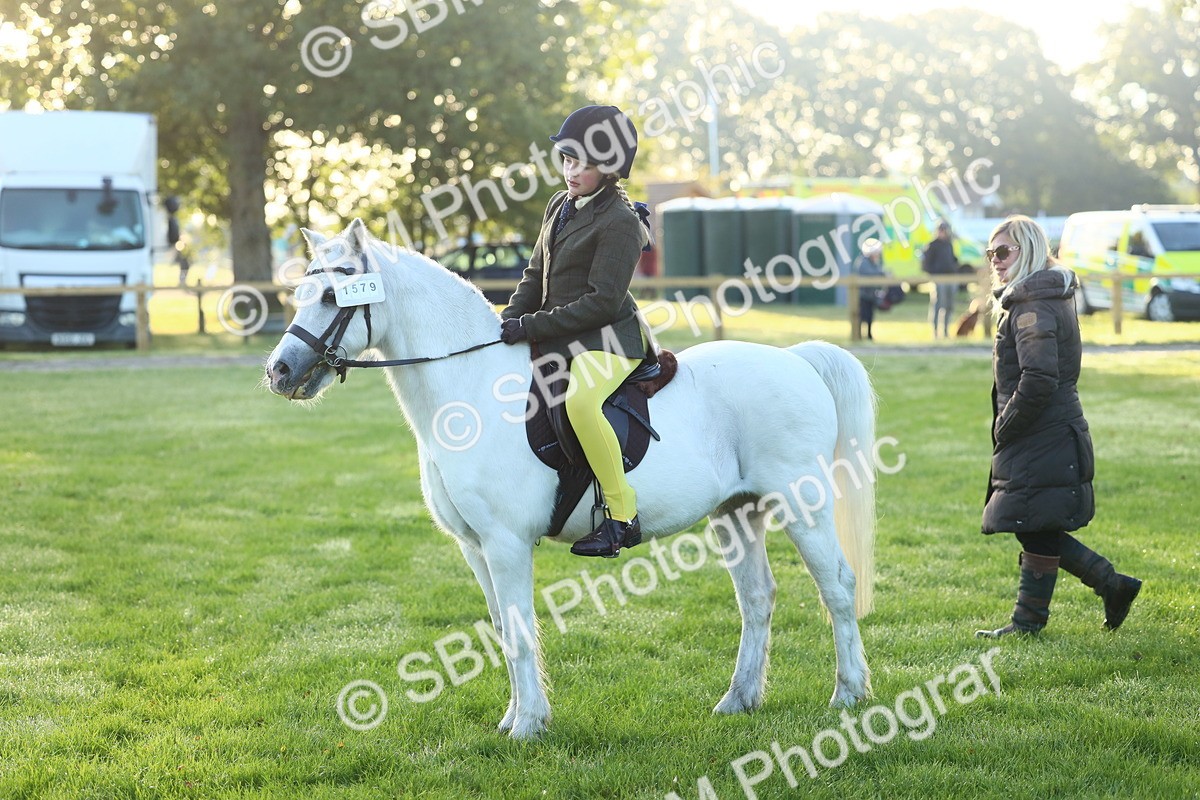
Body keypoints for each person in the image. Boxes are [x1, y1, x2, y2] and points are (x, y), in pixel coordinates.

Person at [499, 105, 655, 559]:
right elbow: (535, 275)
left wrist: (530, 327)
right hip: (561, 330)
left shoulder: (621, 223)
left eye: (582, 163)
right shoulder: (558, 204)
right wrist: (508, 321)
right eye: (566, 159)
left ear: (609, 169)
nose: (571, 170)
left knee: (581, 402)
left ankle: (622, 516)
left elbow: (601, 302)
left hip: (607, 337)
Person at [975, 215, 1142, 638]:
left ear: (1027, 249)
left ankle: (1106, 586)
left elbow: (1039, 378)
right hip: (1047, 430)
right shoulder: (1037, 297)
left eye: (1003, 252)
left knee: (1032, 524)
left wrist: (1006, 425)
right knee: (1034, 523)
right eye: (990, 252)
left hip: (1043, 431)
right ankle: (1036, 618)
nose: (995, 260)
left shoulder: (1033, 304)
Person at [923, 220, 959, 338]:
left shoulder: (948, 244)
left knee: (949, 305)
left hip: (950, 278)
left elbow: (953, 260)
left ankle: (945, 330)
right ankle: (935, 331)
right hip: (939, 278)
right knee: (938, 304)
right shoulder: (932, 245)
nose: (942, 232)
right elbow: (926, 264)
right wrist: (934, 273)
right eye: (940, 229)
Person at [852, 238, 885, 340]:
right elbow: (869, 273)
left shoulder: (874, 262)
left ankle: (869, 334)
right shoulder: (863, 262)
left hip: (871, 293)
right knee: (862, 315)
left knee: (870, 315)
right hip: (863, 294)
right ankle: (859, 335)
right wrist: (881, 274)